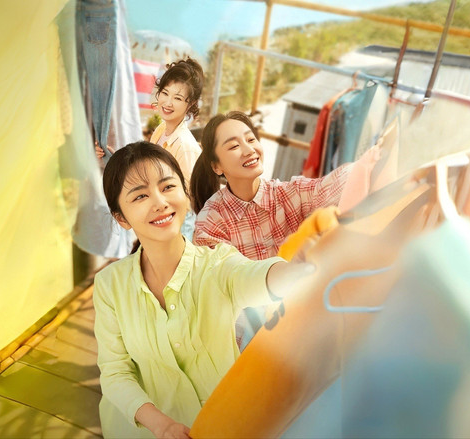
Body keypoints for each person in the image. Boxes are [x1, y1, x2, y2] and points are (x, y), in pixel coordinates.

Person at [94, 141, 313, 438]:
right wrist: (162, 425)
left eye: (168, 186)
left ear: (185, 194)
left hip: (220, 427)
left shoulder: (218, 263)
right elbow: (115, 373)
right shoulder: (109, 285)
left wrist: (295, 270)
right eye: (141, 195)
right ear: (121, 218)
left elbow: (253, 276)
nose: (160, 202)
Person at [189, 111, 356, 350]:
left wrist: (372, 162)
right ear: (217, 166)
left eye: (251, 139)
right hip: (248, 345)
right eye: (234, 146)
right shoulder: (211, 222)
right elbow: (224, 288)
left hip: (301, 329)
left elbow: (330, 188)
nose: (248, 150)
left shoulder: (286, 193)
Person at [97, 58, 204, 240]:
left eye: (177, 98)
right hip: (159, 217)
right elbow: (149, 169)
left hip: (177, 225)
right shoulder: (162, 130)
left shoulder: (185, 146)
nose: (168, 102)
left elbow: (188, 200)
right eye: (165, 93)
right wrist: (116, 159)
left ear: (191, 104)